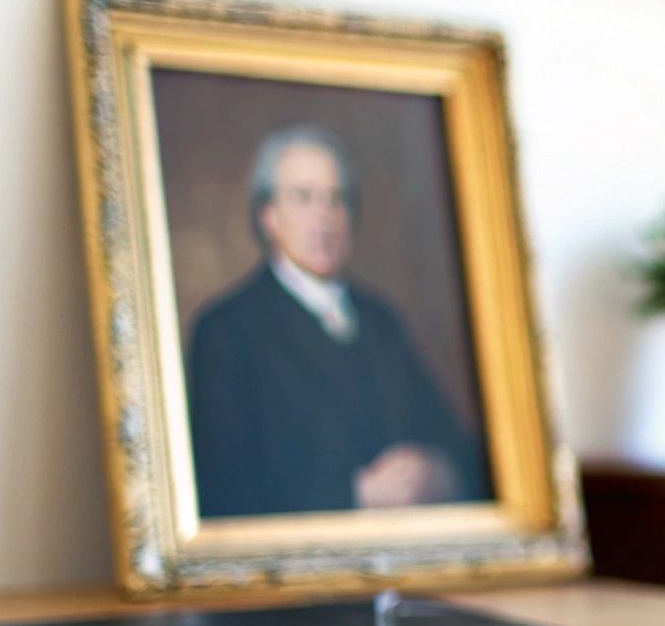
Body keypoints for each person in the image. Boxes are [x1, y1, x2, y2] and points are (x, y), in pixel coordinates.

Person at [187, 123, 491, 518]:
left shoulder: (381, 321)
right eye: (304, 198)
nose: (324, 217)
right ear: (269, 216)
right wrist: (357, 493)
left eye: (337, 199)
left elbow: (455, 442)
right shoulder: (225, 331)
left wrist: (438, 473)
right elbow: (224, 487)